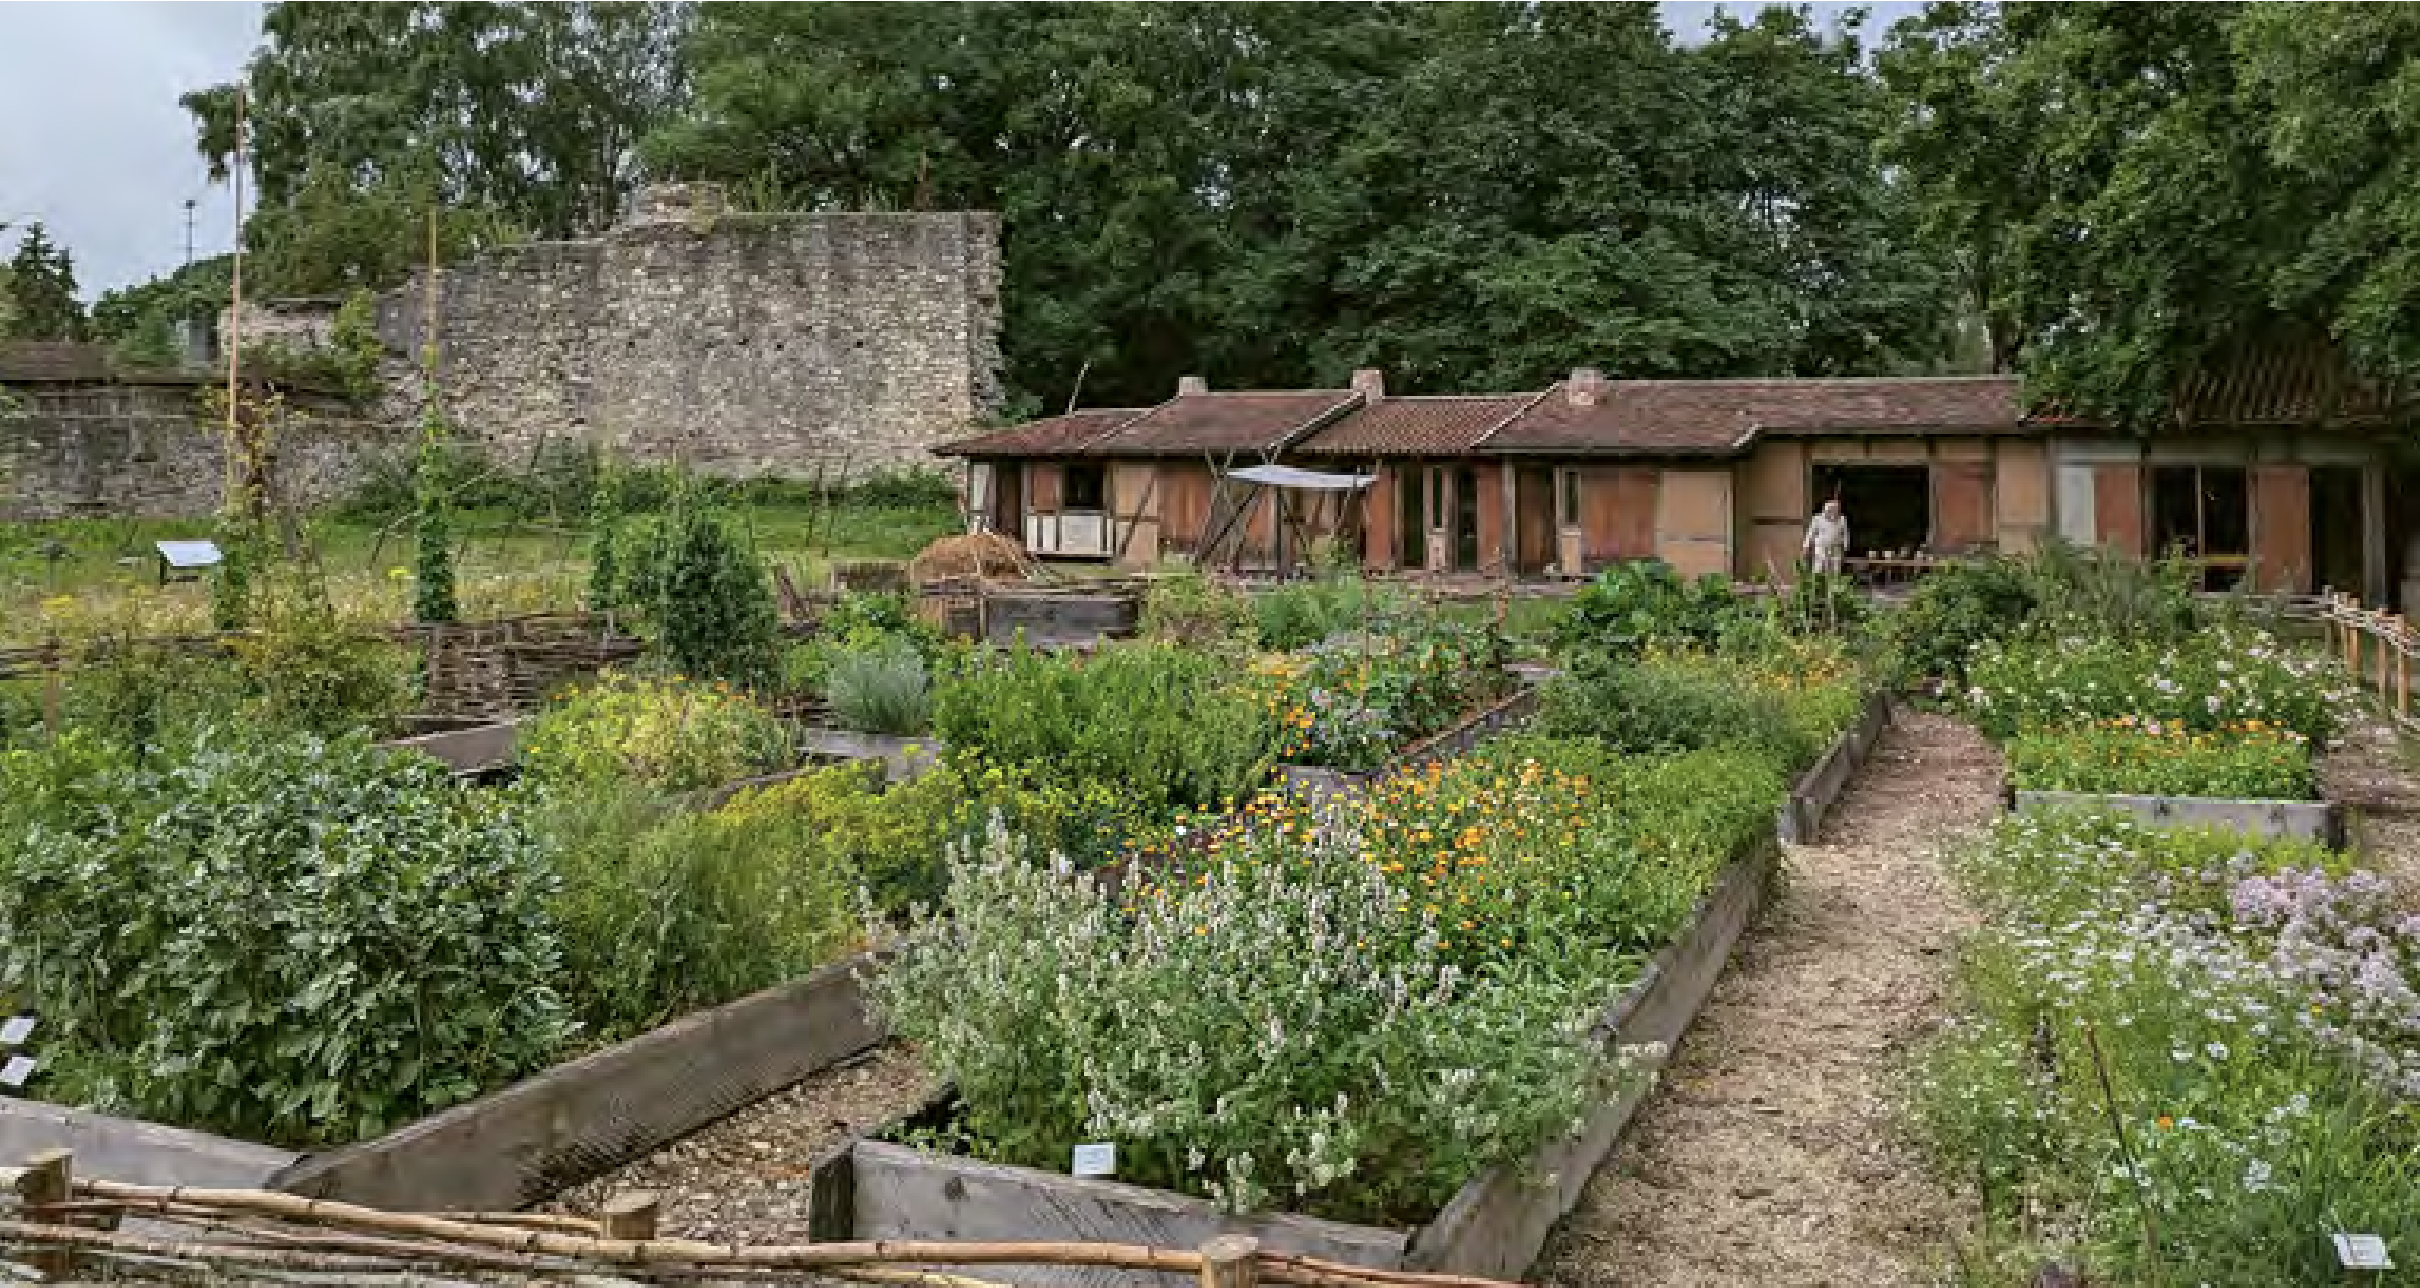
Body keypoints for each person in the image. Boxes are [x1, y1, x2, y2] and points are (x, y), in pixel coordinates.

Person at [1803, 498, 1849, 577]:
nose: (1835, 512)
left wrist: (1845, 546)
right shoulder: (1817, 519)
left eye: (1837, 510)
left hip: (1836, 548)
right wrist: (1806, 546)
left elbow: (1845, 534)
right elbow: (1810, 533)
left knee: (1835, 571)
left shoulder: (1842, 519)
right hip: (1820, 548)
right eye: (1833, 510)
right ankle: (1816, 587)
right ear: (1827, 510)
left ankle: (1834, 587)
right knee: (1818, 569)